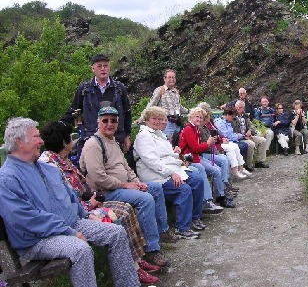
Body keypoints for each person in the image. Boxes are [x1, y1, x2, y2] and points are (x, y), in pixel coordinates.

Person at [0, 117, 140, 287]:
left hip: (71, 224)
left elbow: (71, 196)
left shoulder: (47, 168)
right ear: (19, 141)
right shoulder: (7, 178)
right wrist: (70, 232)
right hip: (38, 239)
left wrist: (86, 215)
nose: (41, 141)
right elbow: (26, 219)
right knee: (80, 250)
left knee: (116, 232)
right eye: (36, 137)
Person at [38, 121, 160, 285]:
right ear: (64, 142)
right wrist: (91, 202)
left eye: (114, 120)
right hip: (81, 210)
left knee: (127, 208)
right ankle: (133, 267)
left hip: (88, 202)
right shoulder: (50, 165)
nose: (73, 142)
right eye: (70, 138)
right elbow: (66, 198)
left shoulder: (61, 159)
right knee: (120, 214)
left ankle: (135, 259)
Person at [79, 106, 174, 268]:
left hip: (123, 187)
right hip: (106, 192)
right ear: (98, 122)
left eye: (114, 120)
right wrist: (126, 185)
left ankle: (161, 231)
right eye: (105, 120)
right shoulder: (93, 144)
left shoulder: (113, 141)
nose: (110, 124)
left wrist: (137, 182)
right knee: (146, 199)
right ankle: (151, 249)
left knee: (154, 188)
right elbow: (98, 178)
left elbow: (126, 167)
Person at [134, 106, 205, 238]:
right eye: (153, 118)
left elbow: (166, 154)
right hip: (154, 174)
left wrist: (175, 152)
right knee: (184, 189)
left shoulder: (159, 134)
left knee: (197, 180)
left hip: (172, 168)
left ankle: (194, 218)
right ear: (147, 120)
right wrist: (170, 173)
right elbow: (151, 161)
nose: (157, 121)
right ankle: (182, 227)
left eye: (159, 119)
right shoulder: (143, 136)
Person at [61, 53, 132, 153]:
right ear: (92, 68)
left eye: (105, 66)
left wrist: (127, 136)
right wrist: (58, 126)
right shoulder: (84, 89)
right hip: (92, 139)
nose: (103, 69)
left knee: (116, 167)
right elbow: (73, 111)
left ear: (109, 67)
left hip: (116, 139)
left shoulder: (119, 88)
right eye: (99, 66)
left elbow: (127, 113)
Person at [179, 107, 235, 208]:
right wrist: (208, 143)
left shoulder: (195, 128)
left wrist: (209, 143)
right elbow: (195, 148)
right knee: (211, 170)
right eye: (197, 117)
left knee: (217, 169)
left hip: (196, 157)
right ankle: (209, 200)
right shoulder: (188, 129)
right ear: (191, 117)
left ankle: (220, 195)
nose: (199, 119)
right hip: (190, 159)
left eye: (201, 118)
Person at [197, 102, 242, 194]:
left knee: (226, 157)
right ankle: (223, 189)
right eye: (208, 114)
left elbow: (217, 134)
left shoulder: (208, 124)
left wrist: (220, 140)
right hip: (206, 152)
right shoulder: (201, 127)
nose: (209, 116)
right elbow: (204, 144)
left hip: (211, 149)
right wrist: (217, 144)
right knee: (223, 160)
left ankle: (227, 183)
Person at [139, 69, 188, 139]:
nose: (171, 79)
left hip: (177, 122)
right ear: (164, 79)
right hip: (165, 123)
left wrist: (190, 111)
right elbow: (151, 105)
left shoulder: (176, 91)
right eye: (169, 77)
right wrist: (142, 118)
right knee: (167, 142)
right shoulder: (160, 90)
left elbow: (179, 107)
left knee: (178, 142)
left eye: (173, 77)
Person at [213, 107, 254, 172]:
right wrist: (240, 136)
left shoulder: (227, 122)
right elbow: (226, 135)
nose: (233, 118)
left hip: (231, 140)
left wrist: (240, 136)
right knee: (242, 146)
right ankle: (236, 168)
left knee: (244, 145)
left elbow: (231, 134)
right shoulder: (220, 123)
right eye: (232, 116)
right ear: (227, 115)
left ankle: (241, 167)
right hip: (225, 141)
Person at [233, 100, 269, 168]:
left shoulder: (245, 115)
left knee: (262, 140)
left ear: (243, 108)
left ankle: (260, 161)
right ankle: (248, 165)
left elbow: (251, 126)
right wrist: (244, 136)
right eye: (237, 107)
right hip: (240, 137)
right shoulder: (233, 117)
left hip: (248, 135)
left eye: (240, 107)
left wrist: (249, 130)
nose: (238, 109)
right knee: (251, 144)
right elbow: (233, 131)